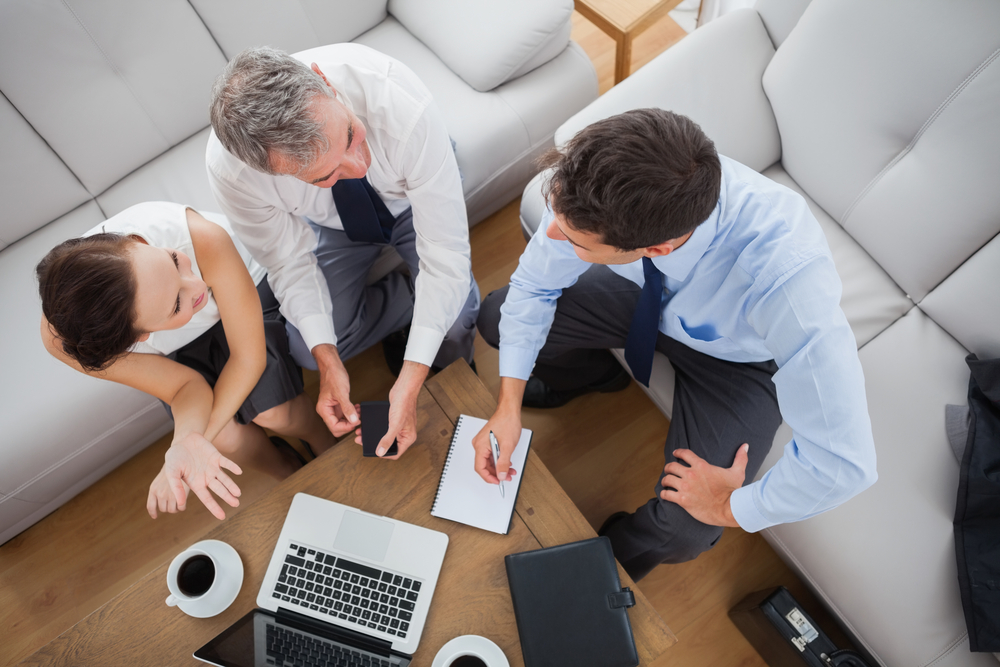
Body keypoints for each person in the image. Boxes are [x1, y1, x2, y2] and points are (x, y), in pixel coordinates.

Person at [475, 109, 878, 581]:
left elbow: (843, 463)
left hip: (740, 361)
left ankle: (606, 564)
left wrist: (733, 507)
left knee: (685, 530)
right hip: (647, 298)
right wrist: (508, 405)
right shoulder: (605, 185)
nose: (551, 235)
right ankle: (596, 376)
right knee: (495, 318)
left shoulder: (786, 278)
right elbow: (534, 289)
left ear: (655, 248)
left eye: (573, 240)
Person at [206, 44, 480, 459]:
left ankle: (443, 356)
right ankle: (413, 303)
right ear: (271, 170)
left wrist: (412, 373)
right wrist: (329, 358)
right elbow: (287, 260)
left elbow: (444, 248)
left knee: (457, 319)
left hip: (413, 198)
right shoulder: (234, 174)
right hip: (332, 228)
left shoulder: (398, 99)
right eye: (325, 174)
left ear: (325, 82)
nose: (357, 165)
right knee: (308, 349)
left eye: (350, 134)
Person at [37, 202, 337, 521]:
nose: (197, 285)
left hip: (243, 291)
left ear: (136, 243)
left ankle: (324, 439)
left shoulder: (203, 239)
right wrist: (187, 442)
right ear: (137, 339)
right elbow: (182, 387)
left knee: (274, 411)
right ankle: (285, 468)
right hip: (177, 344)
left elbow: (248, 359)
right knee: (225, 436)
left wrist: (190, 441)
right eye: (176, 302)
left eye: (173, 261)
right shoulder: (75, 343)